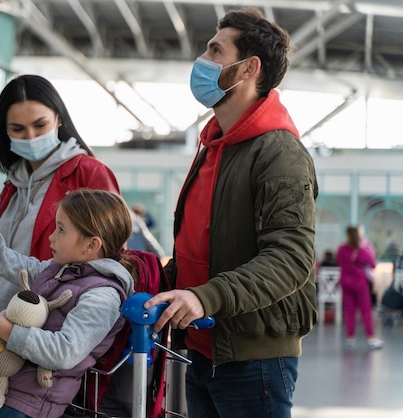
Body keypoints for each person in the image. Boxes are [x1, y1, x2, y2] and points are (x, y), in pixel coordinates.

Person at [143, 8, 318, 418]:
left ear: (249, 68)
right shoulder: (215, 146)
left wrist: (205, 298)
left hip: (253, 361)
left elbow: (290, 260)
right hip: (203, 351)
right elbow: (204, 248)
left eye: (215, 50)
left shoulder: (279, 153)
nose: (202, 60)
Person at [0, 172, 136, 418]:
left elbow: (65, 351)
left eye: (60, 230)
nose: (51, 237)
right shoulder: (54, 271)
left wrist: (7, 330)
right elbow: (2, 258)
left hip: (25, 408)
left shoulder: (103, 296)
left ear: (91, 245)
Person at [0, 74, 120, 363]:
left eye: (40, 125)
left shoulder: (89, 173)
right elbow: (2, 259)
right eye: (18, 129)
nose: (31, 137)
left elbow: (109, 258)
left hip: (43, 339)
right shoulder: (14, 184)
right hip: (0, 327)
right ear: (5, 131)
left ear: (58, 120)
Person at [336, 225, 384, 350]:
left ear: (347, 235)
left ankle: (350, 339)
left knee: (349, 311)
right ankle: (371, 339)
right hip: (360, 284)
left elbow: (339, 262)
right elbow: (373, 264)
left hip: (346, 283)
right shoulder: (363, 250)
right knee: (365, 311)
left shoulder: (341, 249)